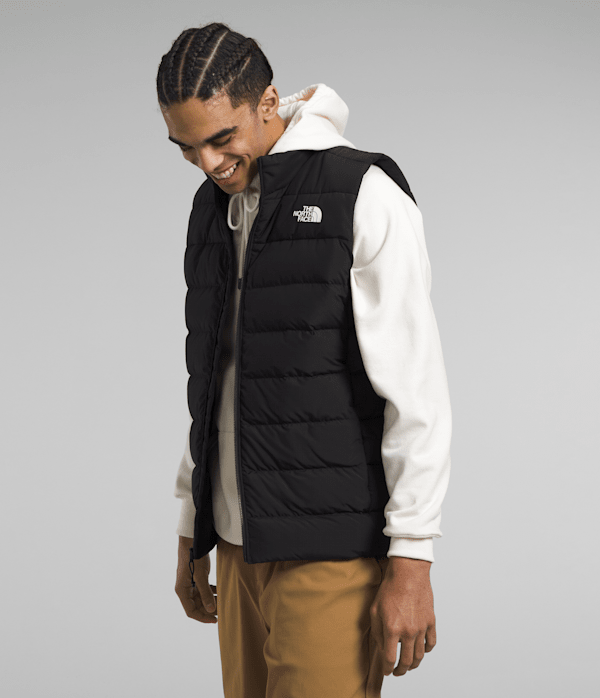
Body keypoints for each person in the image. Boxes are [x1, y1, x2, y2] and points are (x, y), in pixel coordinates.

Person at [156, 21, 452, 698]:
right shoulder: (213, 209)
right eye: (187, 148)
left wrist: (413, 560)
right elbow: (215, 384)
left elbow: (417, 393)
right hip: (238, 548)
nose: (207, 164)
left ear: (268, 101)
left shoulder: (362, 192)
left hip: (331, 550)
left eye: (221, 138)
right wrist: (192, 525)